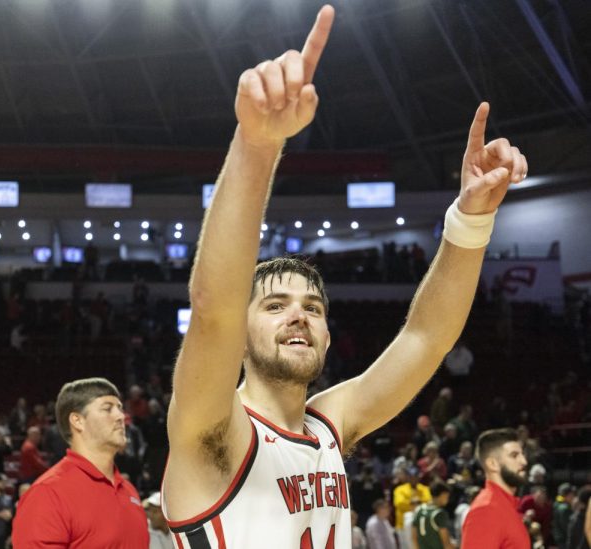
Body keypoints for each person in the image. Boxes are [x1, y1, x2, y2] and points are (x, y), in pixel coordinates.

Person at [160, 2, 527, 546]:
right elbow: (213, 309)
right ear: (243, 334)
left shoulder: (330, 424)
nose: (298, 316)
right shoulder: (214, 431)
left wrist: (470, 221)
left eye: (312, 307)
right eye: (274, 303)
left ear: (329, 333)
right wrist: (258, 145)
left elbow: (425, 339)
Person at [12, 378, 148, 548]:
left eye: (120, 408)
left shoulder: (130, 491)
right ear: (77, 421)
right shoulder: (47, 493)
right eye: (107, 409)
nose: (121, 416)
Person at [460, 428, 530, 548]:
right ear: (492, 464)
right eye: (514, 456)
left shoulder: (504, 505)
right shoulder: (486, 509)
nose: (524, 461)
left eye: (522, 454)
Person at [411, 481, 454, 549]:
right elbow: (446, 542)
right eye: (447, 496)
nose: (447, 500)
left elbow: (414, 536)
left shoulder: (419, 509)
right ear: (443, 495)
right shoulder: (439, 513)